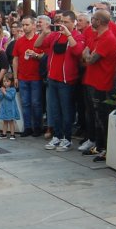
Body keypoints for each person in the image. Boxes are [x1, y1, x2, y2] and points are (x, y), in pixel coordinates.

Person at [39, 11, 84, 151]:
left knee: (67, 111)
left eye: (66, 22)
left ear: (73, 22)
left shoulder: (77, 35)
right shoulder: (55, 36)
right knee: (54, 110)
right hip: (53, 78)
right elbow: (38, 44)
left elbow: (78, 52)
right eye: (61, 22)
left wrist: (68, 35)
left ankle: (67, 138)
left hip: (67, 81)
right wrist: (44, 32)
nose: (62, 25)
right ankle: (57, 136)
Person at [80, 10, 116, 161]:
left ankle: (105, 149)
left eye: (94, 19)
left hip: (101, 83)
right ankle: (99, 145)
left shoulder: (107, 38)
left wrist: (86, 54)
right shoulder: (97, 36)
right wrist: (86, 53)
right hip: (92, 80)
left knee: (101, 118)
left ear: (100, 21)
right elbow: (86, 54)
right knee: (93, 116)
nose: (92, 21)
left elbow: (90, 59)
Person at [12, 15, 43, 137]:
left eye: (27, 25)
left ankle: (37, 127)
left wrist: (35, 55)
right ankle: (28, 127)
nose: (24, 27)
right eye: (23, 25)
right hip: (23, 77)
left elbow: (44, 56)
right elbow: (15, 59)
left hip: (36, 77)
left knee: (36, 103)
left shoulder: (39, 39)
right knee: (25, 103)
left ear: (33, 25)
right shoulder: (19, 41)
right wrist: (15, 77)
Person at [0, 73, 20, 140]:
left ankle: (12, 134)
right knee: (5, 121)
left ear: (11, 82)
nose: (5, 83)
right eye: (4, 81)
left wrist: (4, 92)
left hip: (10, 109)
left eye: (7, 81)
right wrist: (2, 92)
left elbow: (10, 97)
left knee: (11, 121)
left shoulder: (13, 90)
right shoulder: (2, 89)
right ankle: (4, 133)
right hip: (4, 108)